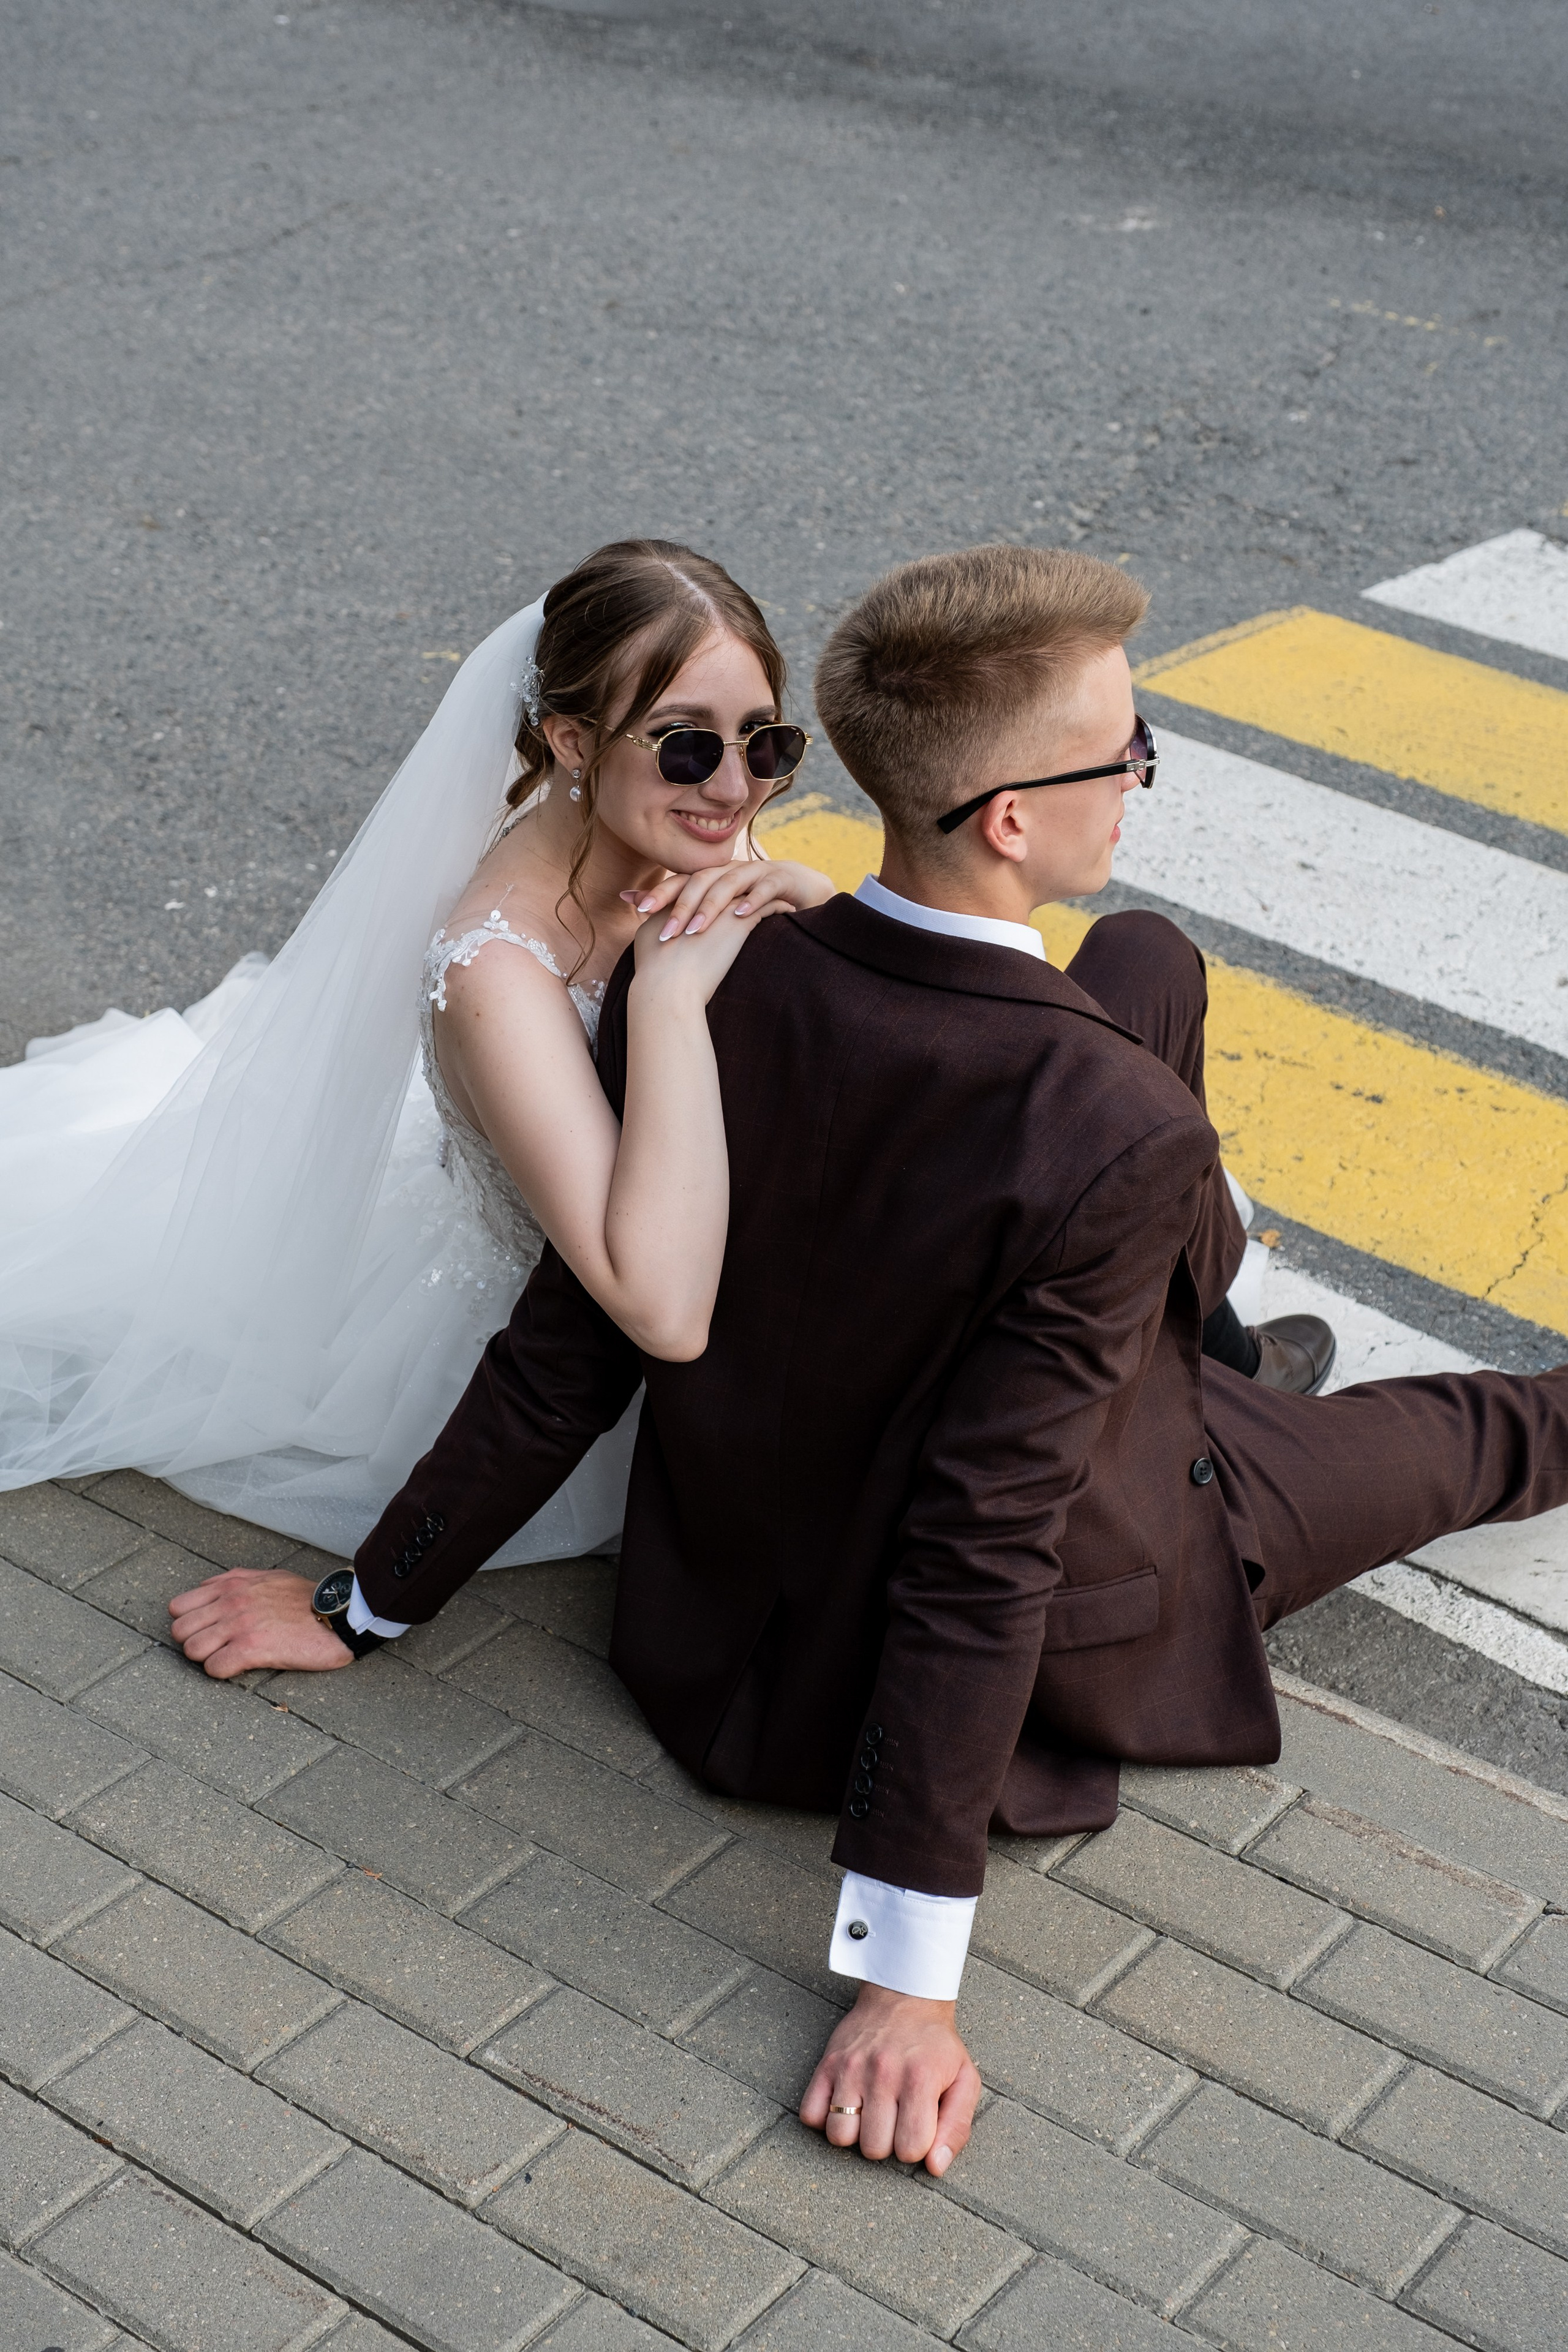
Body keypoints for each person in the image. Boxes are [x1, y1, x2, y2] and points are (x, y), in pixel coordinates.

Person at [304, 543, 1568, 2179]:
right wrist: (906, 1981)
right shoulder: (1109, 1129)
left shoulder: (694, 964)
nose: (1140, 779)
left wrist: (372, 1601)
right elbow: (985, 1542)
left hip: (715, 1624)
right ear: (1013, 820)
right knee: (1481, 1434)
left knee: (1150, 960)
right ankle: (1214, 1366)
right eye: (1127, 756)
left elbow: (568, 1351)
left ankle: (1200, 1328)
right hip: (1022, 1608)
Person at [0, 541, 829, 1605]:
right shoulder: (497, 971)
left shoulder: (697, 819)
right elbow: (655, 1311)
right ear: (573, 739)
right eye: (683, 748)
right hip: (536, 1365)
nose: (733, 787)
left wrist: (810, 898)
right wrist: (671, 992)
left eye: (766, 743)